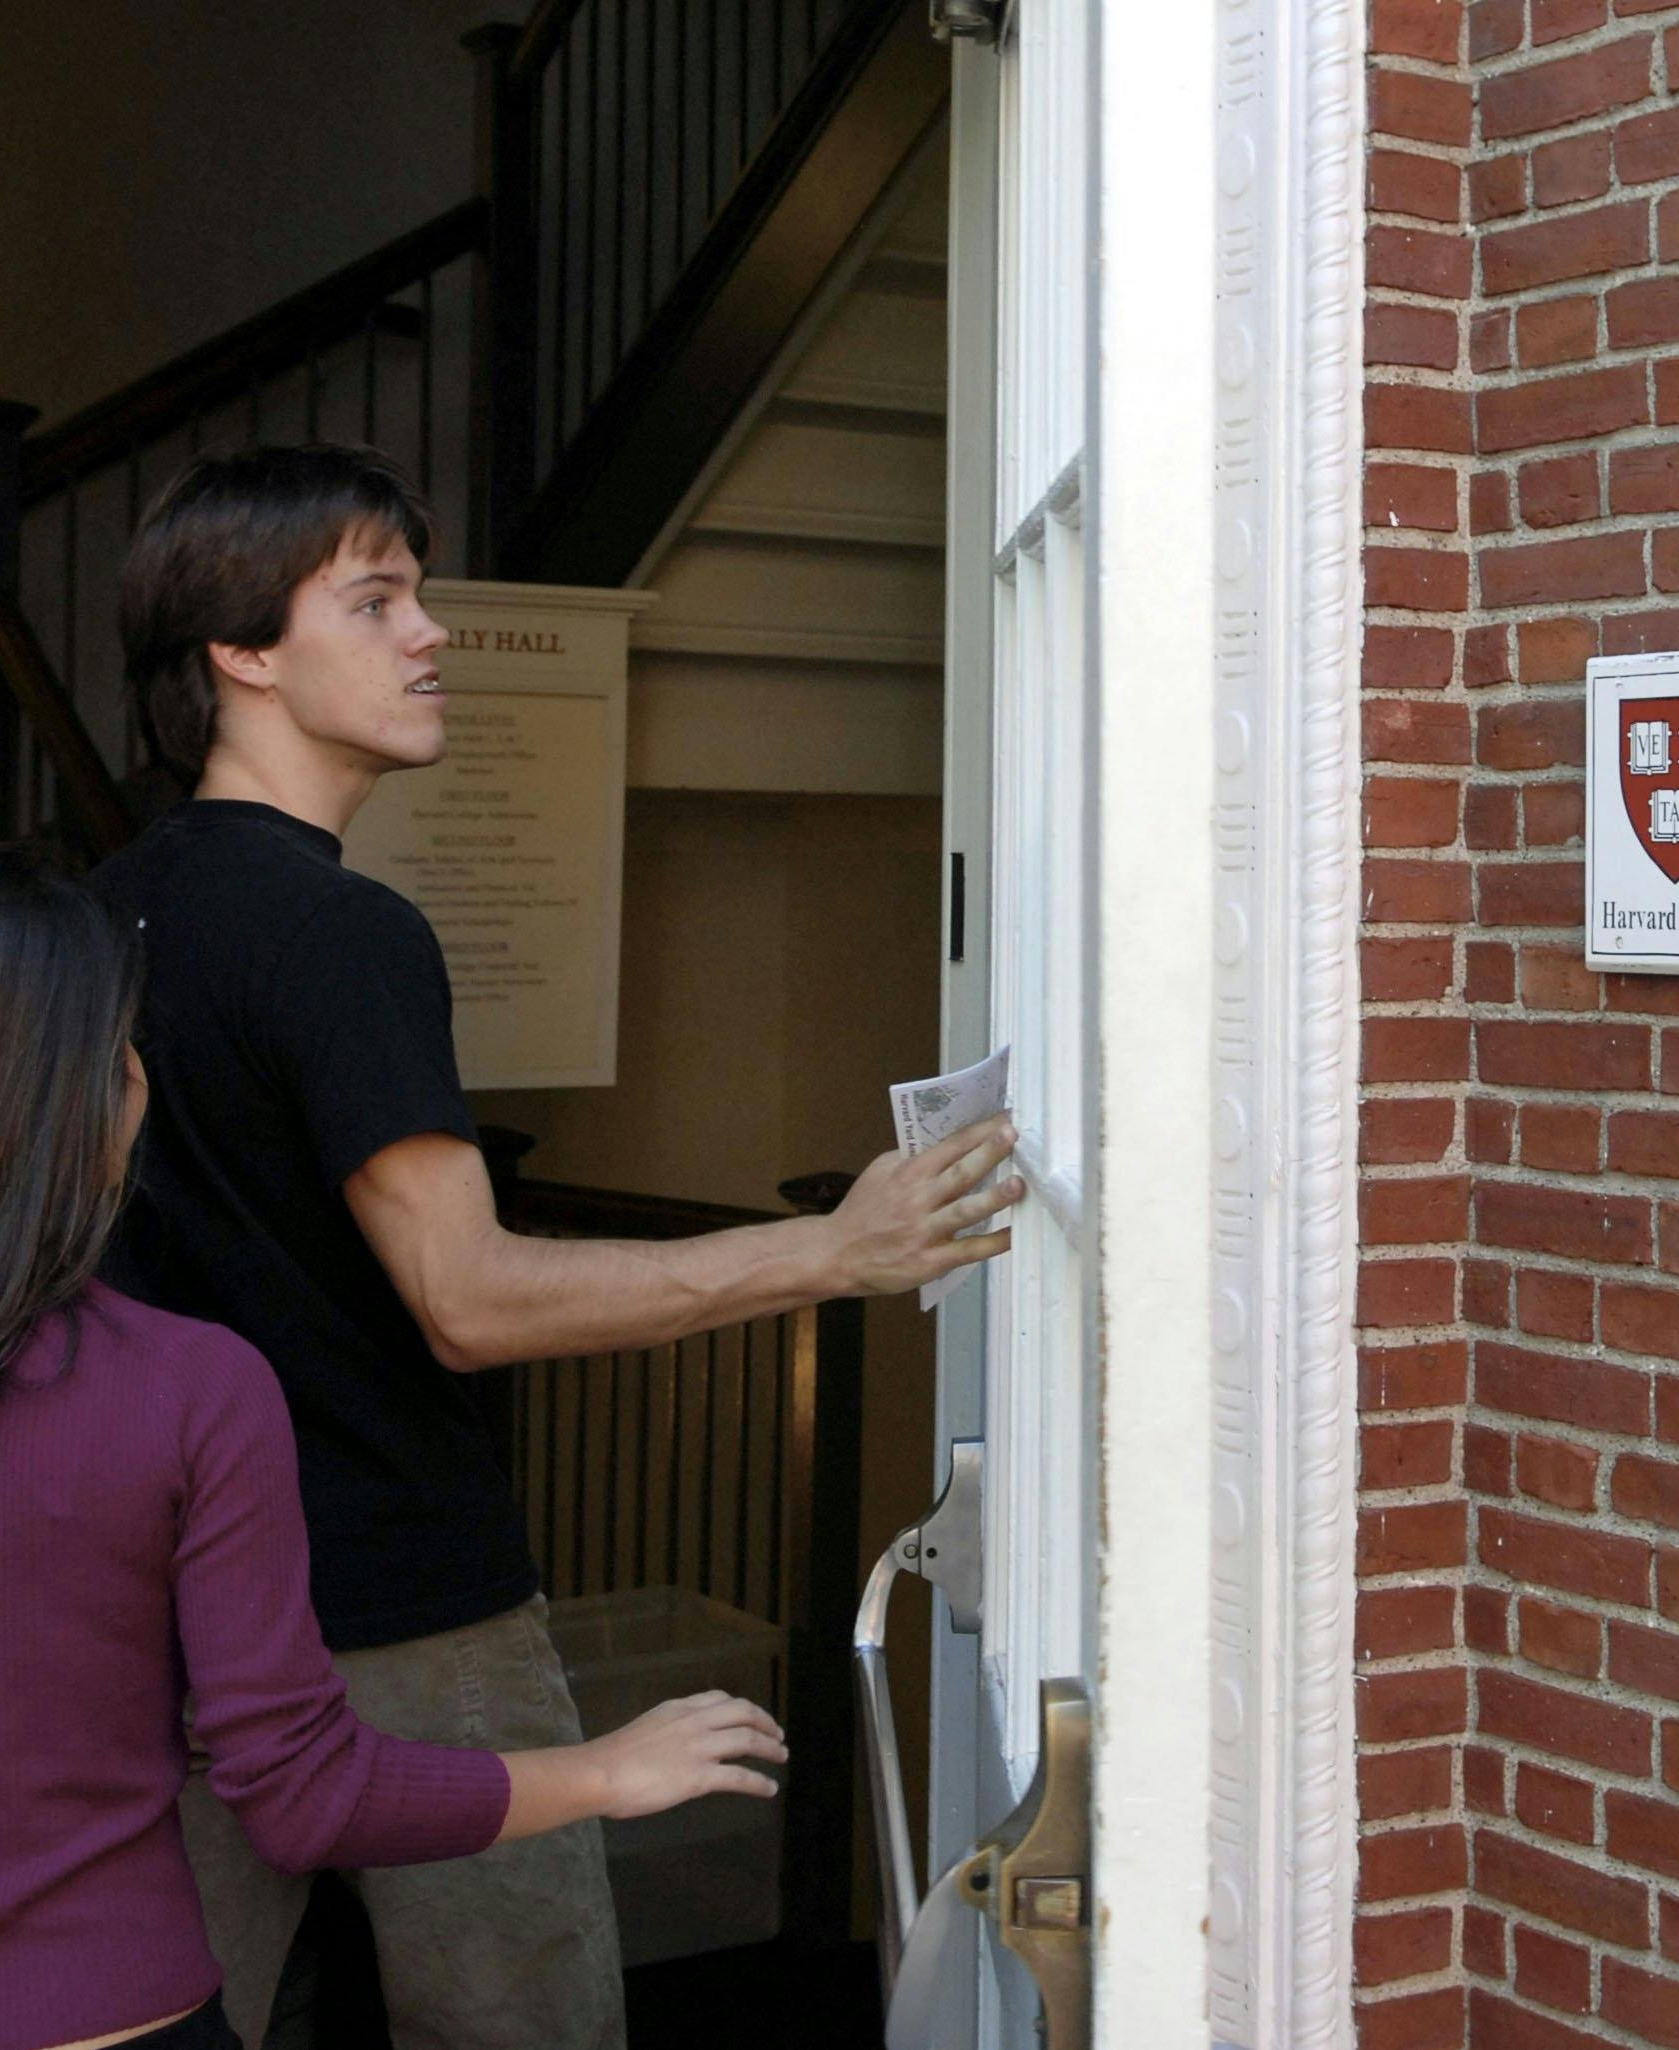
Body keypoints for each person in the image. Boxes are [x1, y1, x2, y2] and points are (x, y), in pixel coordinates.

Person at [92, 444, 1019, 2048]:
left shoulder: (100, 910)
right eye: (376, 598)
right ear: (241, 650)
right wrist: (834, 1250)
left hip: (161, 1594)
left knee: (168, 2021)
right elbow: (470, 1296)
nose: (430, 631)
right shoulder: (339, 929)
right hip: (398, 1601)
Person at [0, 847, 790, 2050]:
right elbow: (301, 1792)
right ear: (67, 1096)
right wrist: (602, 1769)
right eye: (118, 1047)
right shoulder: (188, 1389)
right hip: (100, 2016)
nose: (137, 1078)